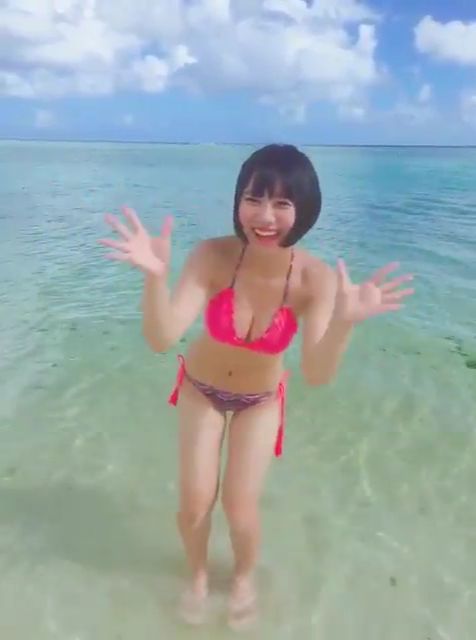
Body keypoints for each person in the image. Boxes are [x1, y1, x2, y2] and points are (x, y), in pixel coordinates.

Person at [99, 144, 414, 629]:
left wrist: (344, 323)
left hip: (260, 401)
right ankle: (198, 576)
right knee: (194, 503)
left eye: (282, 204)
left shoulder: (315, 279)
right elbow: (162, 338)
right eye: (253, 199)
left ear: (304, 210)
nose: (264, 217)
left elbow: (316, 374)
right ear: (238, 200)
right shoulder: (212, 256)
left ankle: (244, 578)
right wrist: (155, 279)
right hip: (201, 388)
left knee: (240, 508)